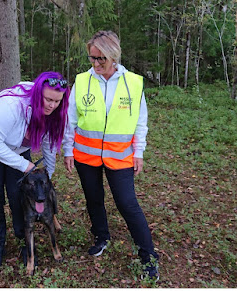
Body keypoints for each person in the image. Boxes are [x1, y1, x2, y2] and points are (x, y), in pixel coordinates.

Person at [62, 31, 159, 280]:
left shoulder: (134, 83)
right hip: (86, 155)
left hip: (120, 156)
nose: (95, 64)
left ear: (113, 55)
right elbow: (71, 119)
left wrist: (139, 152)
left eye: (100, 58)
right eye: (91, 58)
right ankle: (101, 236)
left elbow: (140, 122)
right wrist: (67, 149)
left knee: (127, 204)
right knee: (93, 199)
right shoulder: (82, 80)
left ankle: (147, 256)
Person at [0, 71, 70, 268]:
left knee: (20, 195)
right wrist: (24, 165)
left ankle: (24, 239)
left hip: (18, 151)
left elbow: (49, 145)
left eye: (57, 101)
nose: (52, 105)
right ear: (37, 93)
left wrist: (47, 177)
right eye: (48, 99)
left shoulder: (54, 114)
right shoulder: (11, 106)